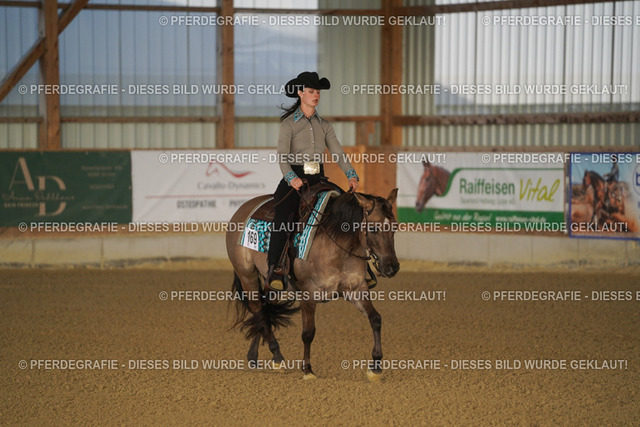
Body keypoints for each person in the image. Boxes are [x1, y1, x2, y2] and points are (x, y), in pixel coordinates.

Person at [266, 71, 359, 291]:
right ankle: (275, 267)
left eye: (318, 91)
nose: (316, 95)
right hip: (294, 179)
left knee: (347, 209)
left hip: (318, 179)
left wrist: (351, 174)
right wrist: (291, 178)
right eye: (311, 91)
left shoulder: (324, 125)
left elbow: (337, 152)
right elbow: (282, 156)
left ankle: (358, 265)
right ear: (300, 93)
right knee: (283, 216)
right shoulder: (288, 124)